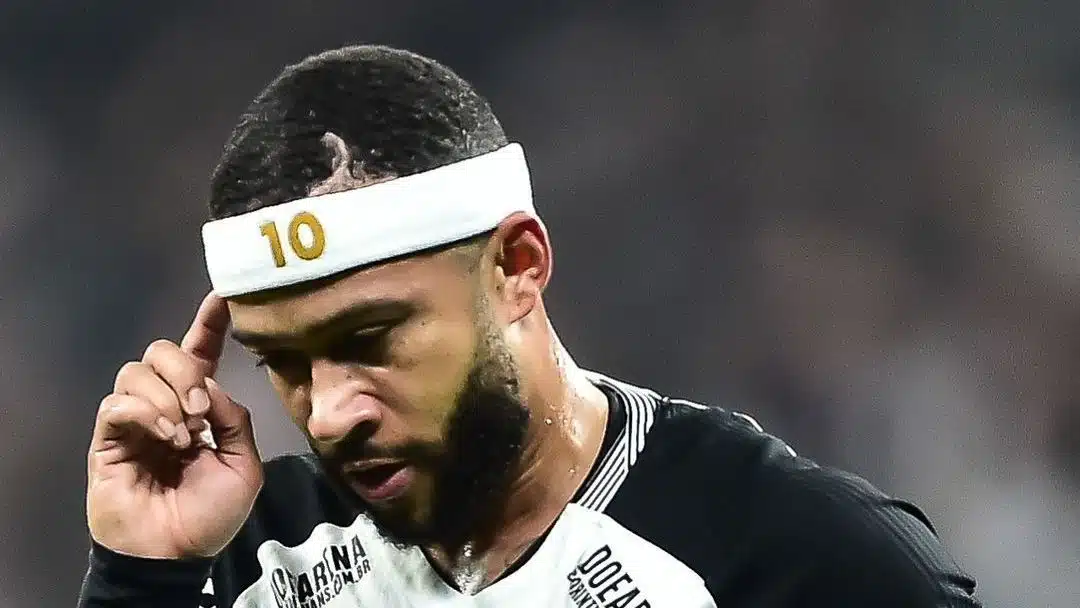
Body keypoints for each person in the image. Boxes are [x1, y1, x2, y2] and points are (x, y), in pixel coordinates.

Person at [77, 44, 981, 608]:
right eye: (284, 363)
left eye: (370, 341)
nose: (328, 413)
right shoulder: (247, 560)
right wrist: (140, 575)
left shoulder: (794, 563)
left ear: (517, 266)